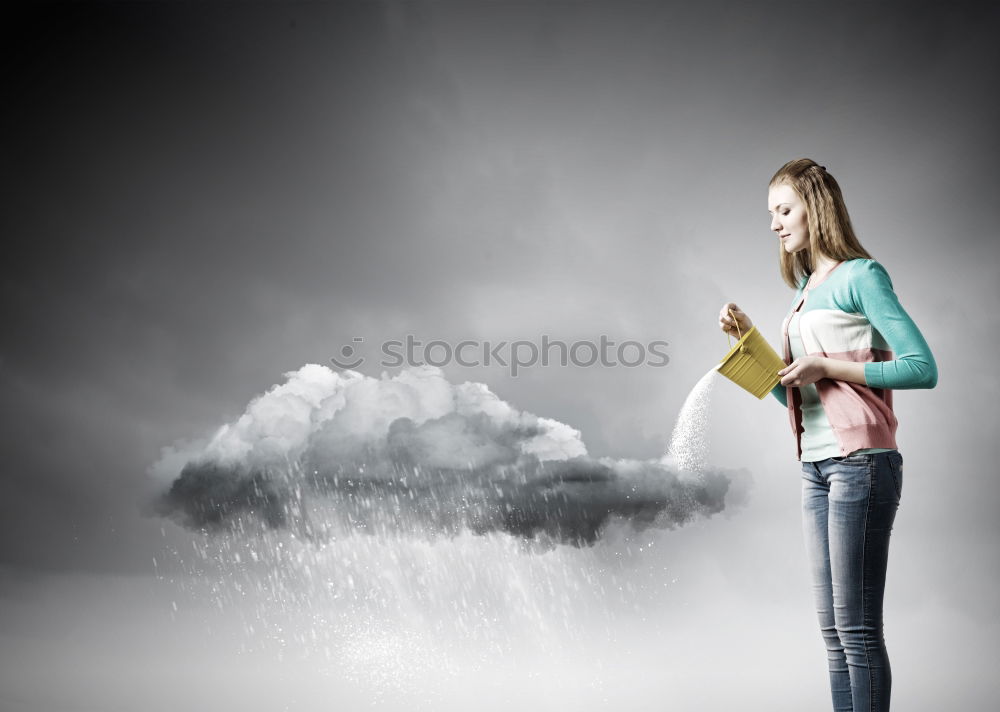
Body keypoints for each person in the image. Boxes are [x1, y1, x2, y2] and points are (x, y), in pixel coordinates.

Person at [717, 158, 937, 712]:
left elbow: (921, 368)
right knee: (834, 635)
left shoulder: (862, 275)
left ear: (817, 207)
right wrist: (749, 343)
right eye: (770, 213)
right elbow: (795, 393)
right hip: (815, 467)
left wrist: (826, 366)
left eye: (784, 209)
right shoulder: (804, 290)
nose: (774, 223)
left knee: (858, 633)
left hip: (862, 463)